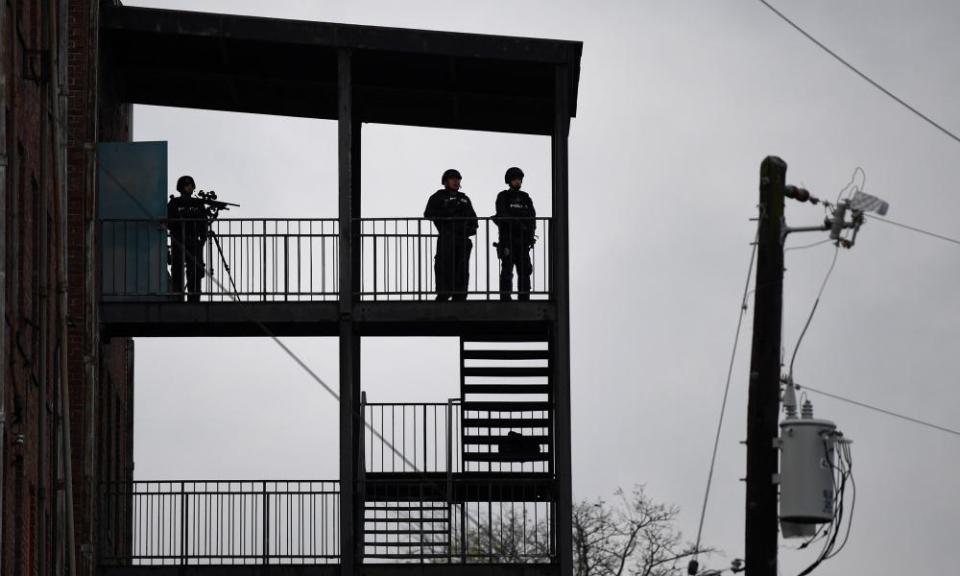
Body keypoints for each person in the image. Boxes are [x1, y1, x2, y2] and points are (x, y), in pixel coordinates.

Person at [424, 169, 478, 301]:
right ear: (445, 181)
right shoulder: (438, 196)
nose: (456, 181)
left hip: (463, 239)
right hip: (446, 237)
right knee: (444, 265)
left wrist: (466, 228)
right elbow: (428, 214)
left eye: (458, 179)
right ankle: (443, 293)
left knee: (462, 267)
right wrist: (447, 212)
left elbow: (474, 222)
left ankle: (460, 295)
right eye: (452, 179)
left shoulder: (464, 199)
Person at [493, 167, 536, 301]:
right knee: (507, 269)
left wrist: (529, 234)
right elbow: (502, 215)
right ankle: (505, 298)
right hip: (508, 240)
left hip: (523, 241)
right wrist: (518, 224)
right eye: (515, 179)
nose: (518, 182)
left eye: (519, 179)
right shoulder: (503, 196)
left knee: (525, 270)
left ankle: (524, 297)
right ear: (509, 181)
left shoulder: (525, 197)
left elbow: (532, 218)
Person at [167, 175, 208, 302]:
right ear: (181, 188)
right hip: (178, 241)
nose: (190, 187)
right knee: (177, 269)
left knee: (195, 270)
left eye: (191, 185)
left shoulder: (198, 203)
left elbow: (203, 223)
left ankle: (194, 298)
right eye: (187, 185)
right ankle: (178, 298)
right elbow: (169, 222)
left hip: (194, 241)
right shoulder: (174, 203)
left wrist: (203, 239)